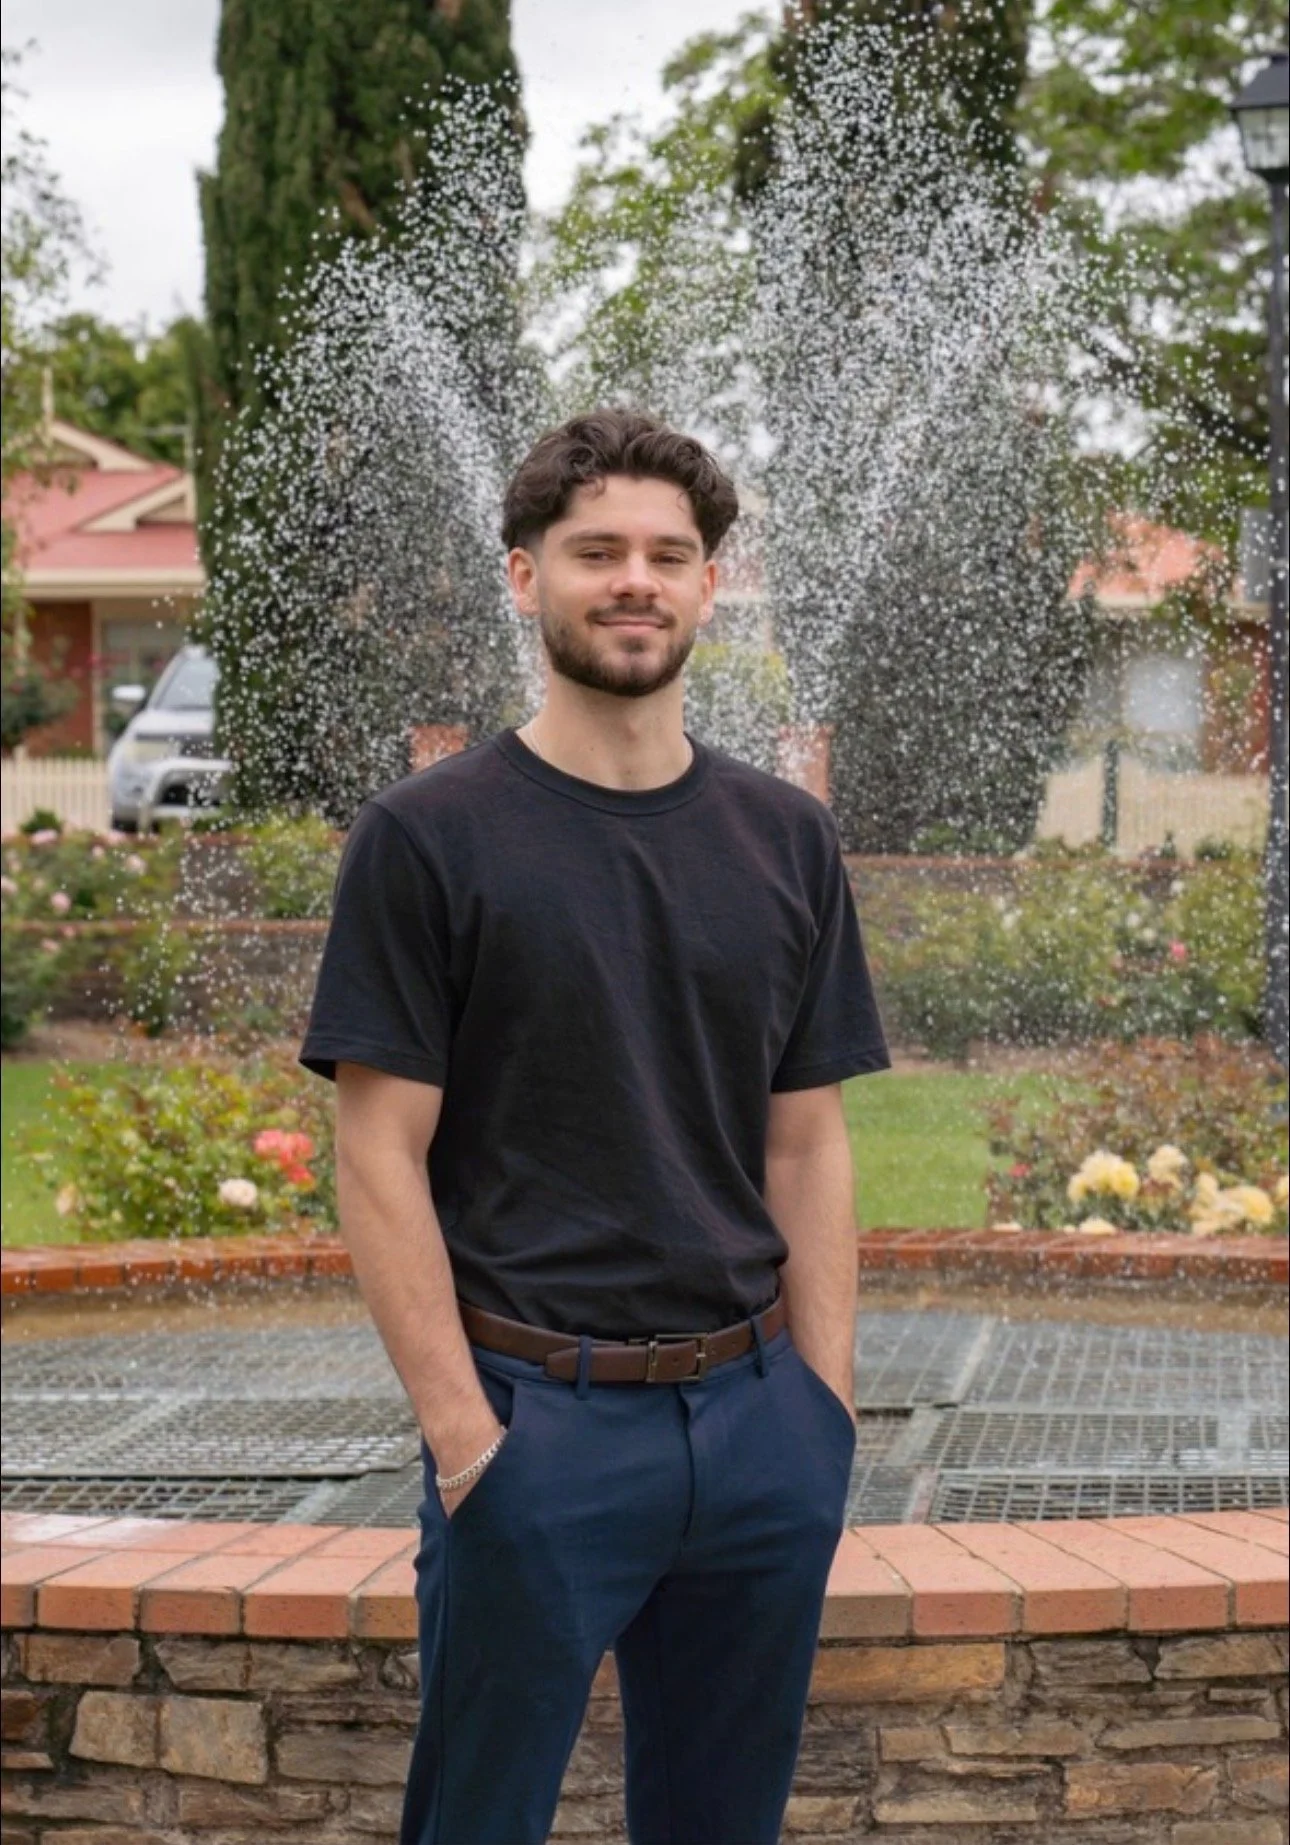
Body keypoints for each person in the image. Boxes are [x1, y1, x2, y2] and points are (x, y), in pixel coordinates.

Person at [299, 408, 891, 1845]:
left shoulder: (784, 838)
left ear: (706, 586)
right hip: (534, 1428)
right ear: (524, 578)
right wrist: (462, 1439)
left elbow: (803, 1142)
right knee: (480, 1821)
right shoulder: (430, 834)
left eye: (667, 555)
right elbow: (376, 1153)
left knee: (719, 1826)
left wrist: (821, 1410)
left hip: (755, 1428)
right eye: (596, 552)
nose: (634, 579)